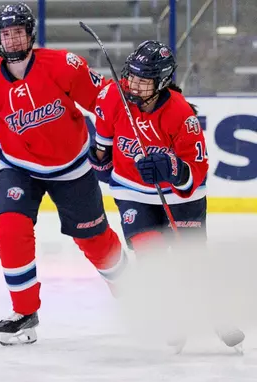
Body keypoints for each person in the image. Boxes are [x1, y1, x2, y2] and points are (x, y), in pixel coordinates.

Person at [0, 3, 127, 345]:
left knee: (94, 239)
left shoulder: (63, 65)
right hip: (18, 167)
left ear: (31, 35)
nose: (13, 39)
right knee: (10, 229)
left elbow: (101, 99)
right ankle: (24, 310)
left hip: (72, 167)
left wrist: (109, 137)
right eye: (6, 34)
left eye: (19, 32)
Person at [88, 40, 244, 349]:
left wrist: (171, 168)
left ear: (160, 83)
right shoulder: (112, 96)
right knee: (152, 257)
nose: (134, 85)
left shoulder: (181, 115)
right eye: (131, 76)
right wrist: (100, 160)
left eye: (143, 81)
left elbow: (196, 170)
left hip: (180, 197)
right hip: (132, 190)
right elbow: (102, 146)